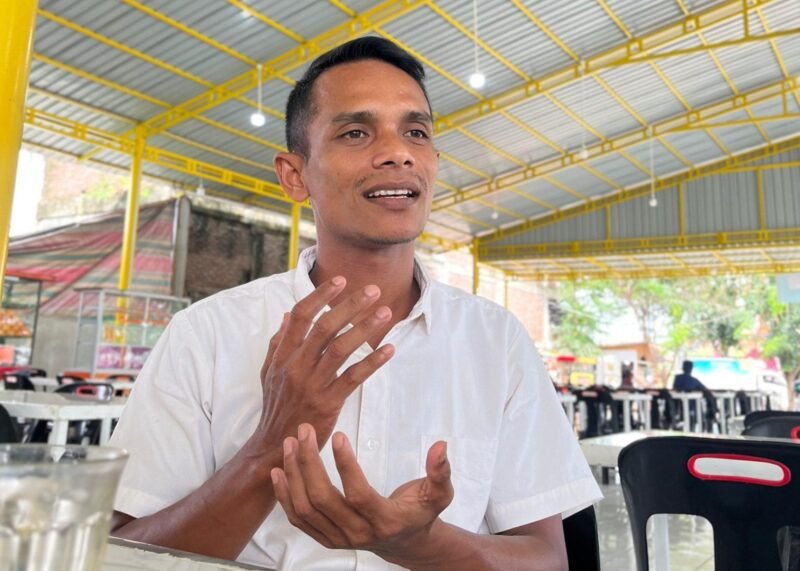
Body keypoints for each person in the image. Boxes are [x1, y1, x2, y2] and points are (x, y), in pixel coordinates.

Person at [108, 37, 601, 570]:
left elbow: (547, 560)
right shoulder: (204, 335)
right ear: (294, 175)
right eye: (356, 132)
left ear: (434, 161)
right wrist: (270, 445)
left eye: (415, 131)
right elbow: (124, 557)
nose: (398, 151)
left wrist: (420, 545)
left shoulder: (495, 341)